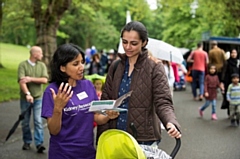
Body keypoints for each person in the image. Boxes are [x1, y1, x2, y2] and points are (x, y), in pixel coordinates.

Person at [97, 21, 181, 147]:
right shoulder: (115, 67)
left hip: (143, 139)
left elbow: (163, 101)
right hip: (115, 136)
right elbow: (106, 100)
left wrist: (170, 122)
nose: (128, 47)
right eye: (124, 42)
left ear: (144, 42)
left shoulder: (155, 67)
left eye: (133, 43)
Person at [41, 43, 119, 159]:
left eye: (82, 62)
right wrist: (58, 108)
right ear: (62, 67)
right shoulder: (52, 91)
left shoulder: (87, 85)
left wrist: (108, 115)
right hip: (63, 154)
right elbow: (53, 130)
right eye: (75, 64)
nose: (81, 67)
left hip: (87, 153)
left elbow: (96, 117)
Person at [17, 46, 48, 153]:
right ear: (35, 54)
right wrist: (27, 94)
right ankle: (27, 141)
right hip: (25, 98)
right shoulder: (23, 65)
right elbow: (22, 81)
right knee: (25, 121)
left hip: (38, 97)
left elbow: (44, 79)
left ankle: (39, 143)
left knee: (38, 121)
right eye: (41, 53)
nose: (42, 55)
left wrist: (30, 78)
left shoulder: (42, 65)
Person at [221, 49, 240, 117]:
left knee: (237, 96)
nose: (233, 54)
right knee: (229, 96)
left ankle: (237, 111)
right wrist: (222, 81)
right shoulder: (227, 62)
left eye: (235, 53)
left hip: (237, 81)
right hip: (228, 82)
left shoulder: (238, 62)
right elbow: (224, 71)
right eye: (232, 53)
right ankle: (230, 112)